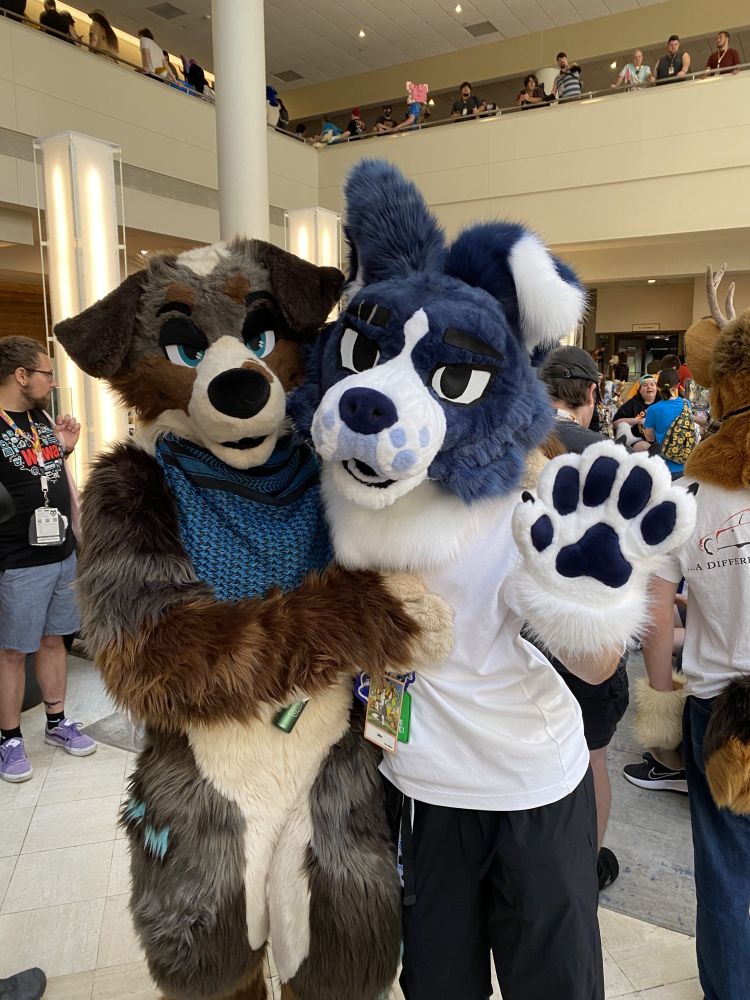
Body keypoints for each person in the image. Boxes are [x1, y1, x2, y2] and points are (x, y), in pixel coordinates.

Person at [632, 272, 750, 1000]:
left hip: (718, 704)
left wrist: (661, 697)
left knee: (725, 867)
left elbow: (655, 605)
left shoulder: (690, 499)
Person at [539, 346, 630, 889]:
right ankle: (583, 868)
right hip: (590, 633)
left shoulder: (509, 445)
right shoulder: (607, 453)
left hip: (526, 632)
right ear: (592, 393)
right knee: (593, 756)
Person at [0, 337, 95, 784]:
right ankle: (10, 739)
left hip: (61, 554)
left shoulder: (39, 419)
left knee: (57, 640)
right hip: (17, 560)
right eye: (46, 373)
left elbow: (43, 473)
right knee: (15, 651)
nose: (51, 381)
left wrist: (66, 448)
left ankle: (57, 724)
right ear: (22, 375)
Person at [642, 368, 691, 477]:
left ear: (658, 386)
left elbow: (649, 438)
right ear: (677, 385)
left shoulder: (653, 409)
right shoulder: (687, 403)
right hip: (685, 465)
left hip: (662, 467)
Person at [612, 374, 658, 451]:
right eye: (645, 385)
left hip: (660, 440)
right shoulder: (632, 403)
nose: (649, 387)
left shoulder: (663, 403)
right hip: (637, 440)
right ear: (640, 390)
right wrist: (637, 420)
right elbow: (615, 423)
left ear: (656, 388)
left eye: (652, 384)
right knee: (644, 447)